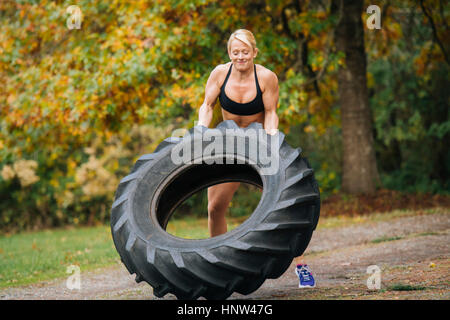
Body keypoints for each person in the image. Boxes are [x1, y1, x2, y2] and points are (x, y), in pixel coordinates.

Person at [197, 29, 315, 288]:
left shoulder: (266, 77)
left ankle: (302, 267)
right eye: (235, 52)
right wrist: (201, 131)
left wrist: (272, 139)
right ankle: (221, 265)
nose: (240, 57)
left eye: (245, 52)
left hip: (260, 144)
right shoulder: (219, 73)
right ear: (230, 53)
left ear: (254, 53)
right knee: (215, 208)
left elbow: (272, 112)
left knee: (285, 206)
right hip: (230, 146)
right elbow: (207, 106)